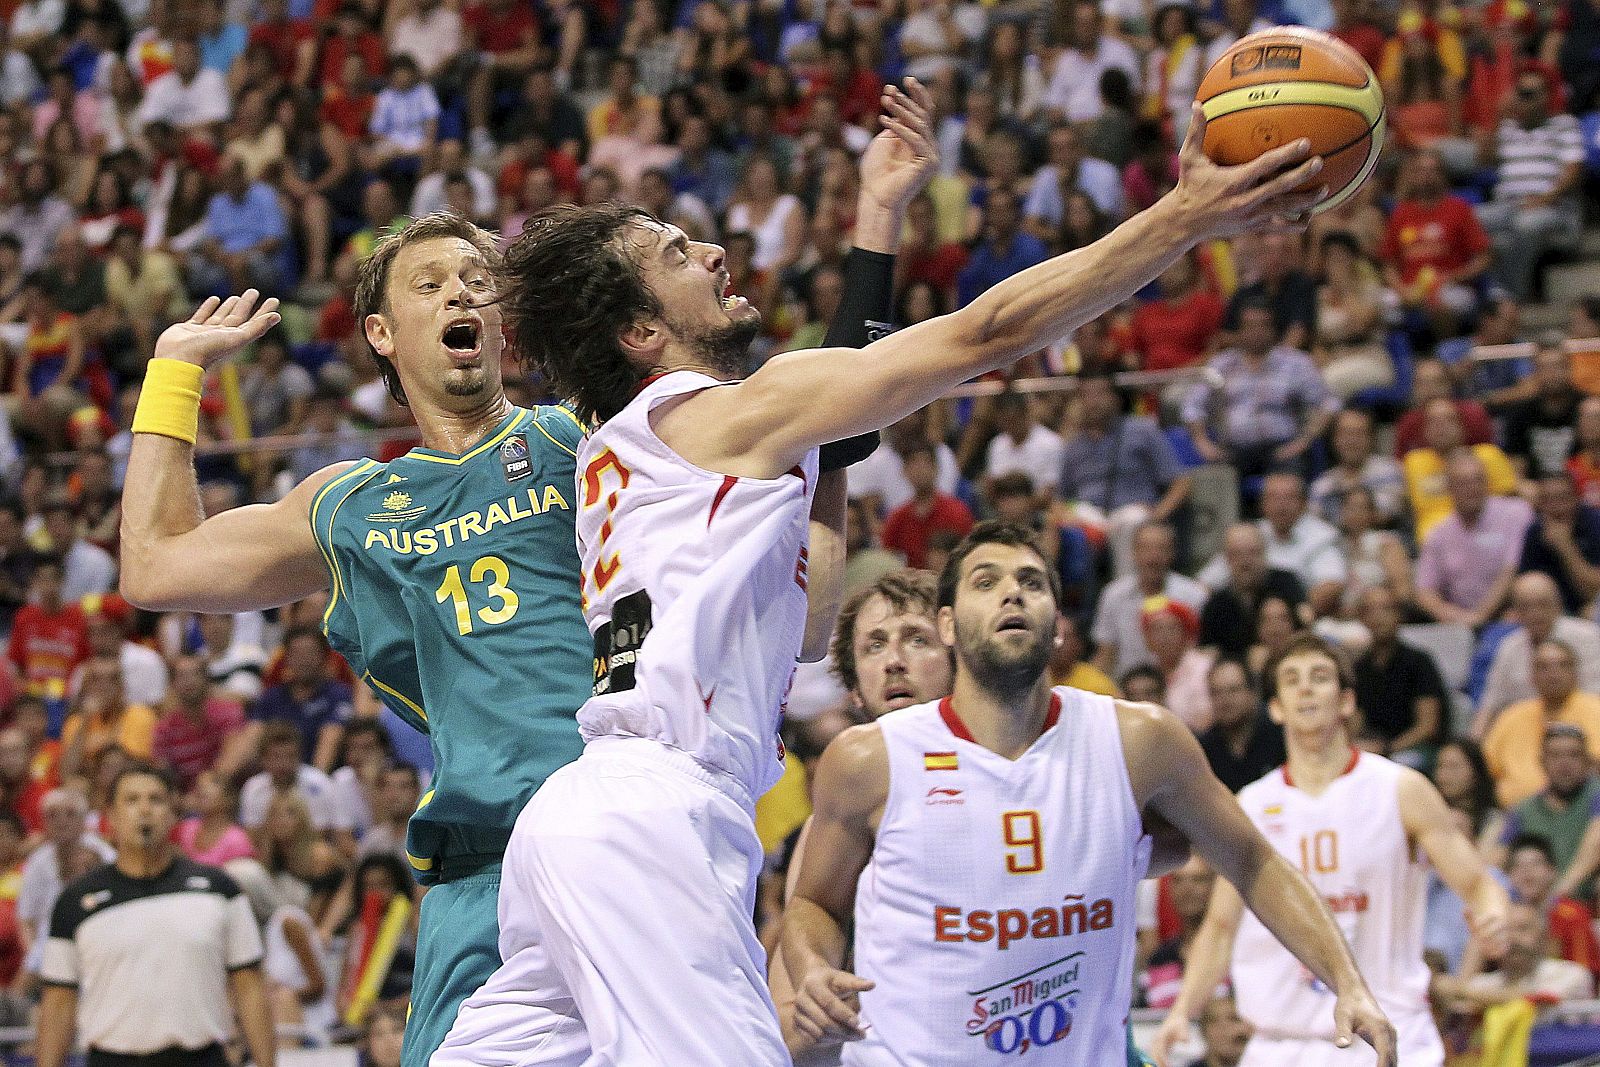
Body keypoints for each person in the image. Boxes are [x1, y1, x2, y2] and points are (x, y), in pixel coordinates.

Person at [437, 90, 1329, 1064]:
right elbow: (980, 336)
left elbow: (816, 614)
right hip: (654, 820)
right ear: (642, 335)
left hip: (576, 824)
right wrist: (1183, 217)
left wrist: (877, 218)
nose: (713, 253)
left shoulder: (638, 455)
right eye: (676, 253)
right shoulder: (718, 412)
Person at [783, 524, 1395, 1065]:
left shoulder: (1138, 740)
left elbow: (1252, 860)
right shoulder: (869, 760)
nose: (1011, 593)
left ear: (1057, 626)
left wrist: (1347, 980)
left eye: (1031, 581)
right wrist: (811, 968)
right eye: (986, 581)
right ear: (947, 624)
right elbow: (814, 901)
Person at [1153, 633, 1510, 1067]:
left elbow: (1476, 882)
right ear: (1277, 707)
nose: (1305, 688)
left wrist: (1492, 914)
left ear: (1345, 702)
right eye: (1292, 679)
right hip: (1280, 1042)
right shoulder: (1250, 805)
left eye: (1319, 677)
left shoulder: (1401, 789)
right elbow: (1221, 927)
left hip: (1387, 1034)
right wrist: (1182, 1010)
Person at [34, 765, 276, 1067]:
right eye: (132, 800)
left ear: (174, 813)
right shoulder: (75, 902)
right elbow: (58, 1001)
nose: (145, 810)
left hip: (201, 1057)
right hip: (112, 1059)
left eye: (156, 800)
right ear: (111, 817)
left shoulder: (220, 890)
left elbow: (249, 985)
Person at [1476, 571, 1600, 735]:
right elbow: (1489, 706)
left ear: (1558, 606)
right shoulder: (1509, 646)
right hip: (1524, 731)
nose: (1535, 613)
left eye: (1542, 604)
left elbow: (1594, 697)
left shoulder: (1587, 637)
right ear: (1515, 612)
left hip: (1582, 729)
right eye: (1526, 607)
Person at [1484, 640, 1600, 807]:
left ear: (1575, 672)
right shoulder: (1512, 715)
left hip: (1582, 814)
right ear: (1532, 676)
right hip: (1509, 816)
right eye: (1543, 667)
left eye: (1562, 665)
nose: (1553, 673)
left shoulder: (1596, 709)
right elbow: (1484, 769)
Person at [1093, 521, 1207, 679]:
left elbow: (1200, 652)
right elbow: (1105, 654)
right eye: (1145, 548)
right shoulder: (1113, 595)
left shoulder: (1193, 596)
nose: (1153, 557)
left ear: (1172, 553)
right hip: (1128, 688)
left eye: (1161, 548)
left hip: (1181, 688)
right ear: (1133, 552)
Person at [1351, 586, 1449, 765]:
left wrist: (1387, 749)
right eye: (1370, 610)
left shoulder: (1419, 662)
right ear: (1362, 617)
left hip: (1415, 749)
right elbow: (1355, 721)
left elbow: (1427, 727)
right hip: (1374, 748)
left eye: (1386, 608)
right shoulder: (1360, 668)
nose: (1378, 616)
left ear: (1399, 615)